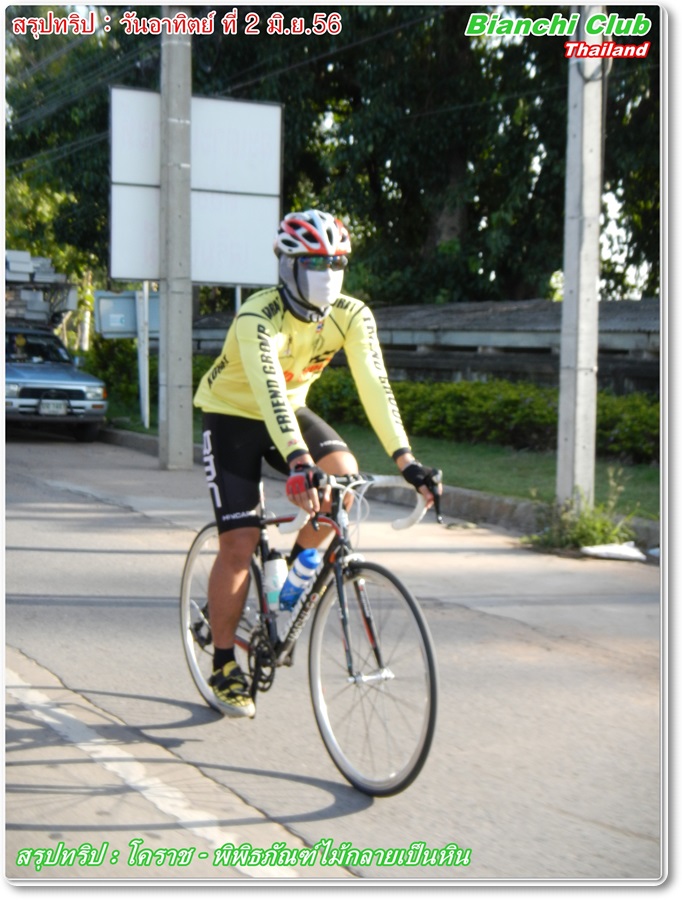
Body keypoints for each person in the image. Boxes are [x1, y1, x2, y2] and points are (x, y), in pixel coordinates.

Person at [193, 209, 441, 717]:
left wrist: (407, 460)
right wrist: (300, 461)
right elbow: (268, 391)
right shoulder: (257, 317)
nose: (327, 273)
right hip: (233, 415)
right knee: (239, 542)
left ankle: (290, 576)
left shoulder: (352, 315)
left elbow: (376, 385)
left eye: (336, 262)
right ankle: (223, 662)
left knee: (343, 479)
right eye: (314, 263)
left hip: (290, 409)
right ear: (287, 266)